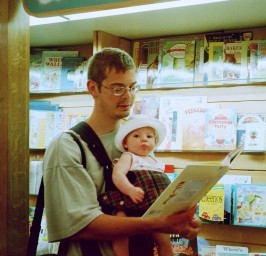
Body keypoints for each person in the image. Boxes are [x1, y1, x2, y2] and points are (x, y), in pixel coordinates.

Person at [43, 47, 201, 255]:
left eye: (133, 87)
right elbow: (81, 225)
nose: (128, 96)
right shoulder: (67, 146)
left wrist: (183, 221)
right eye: (118, 89)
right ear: (93, 88)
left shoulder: (138, 140)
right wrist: (159, 223)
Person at [101, 114, 173, 256]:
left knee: (164, 239)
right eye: (136, 136)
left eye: (149, 136)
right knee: (120, 229)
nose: (144, 139)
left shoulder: (155, 161)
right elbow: (118, 174)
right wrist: (130, 189)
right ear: (125, 143)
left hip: (153, 207)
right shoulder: (129, 156)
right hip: (129, 202)